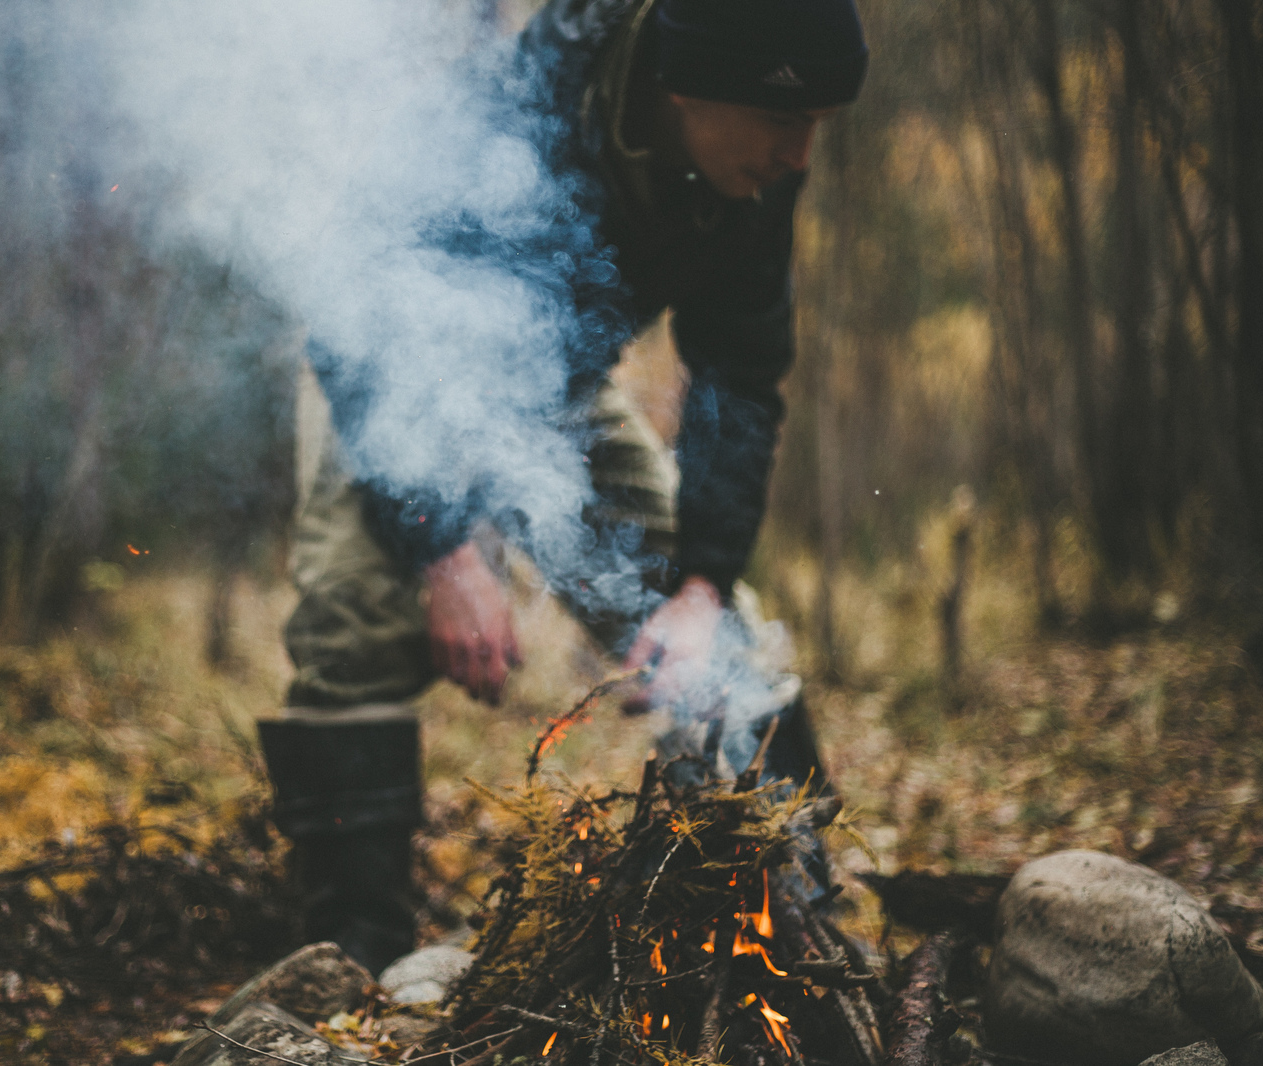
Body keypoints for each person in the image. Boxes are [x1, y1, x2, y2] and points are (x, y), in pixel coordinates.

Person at [258, 0, 868, 974]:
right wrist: (446, 547)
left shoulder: (755, 171)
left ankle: (795, 913)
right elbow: (354, 314)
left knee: (711, 638)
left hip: (552, 392)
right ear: (687, 89)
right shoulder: (513, 105)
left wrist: (703, 586)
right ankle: (351, 954)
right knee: (354, 623)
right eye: (784, 123)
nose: (799, 156)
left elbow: (740, 379)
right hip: (387, 373)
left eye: (815, 127)